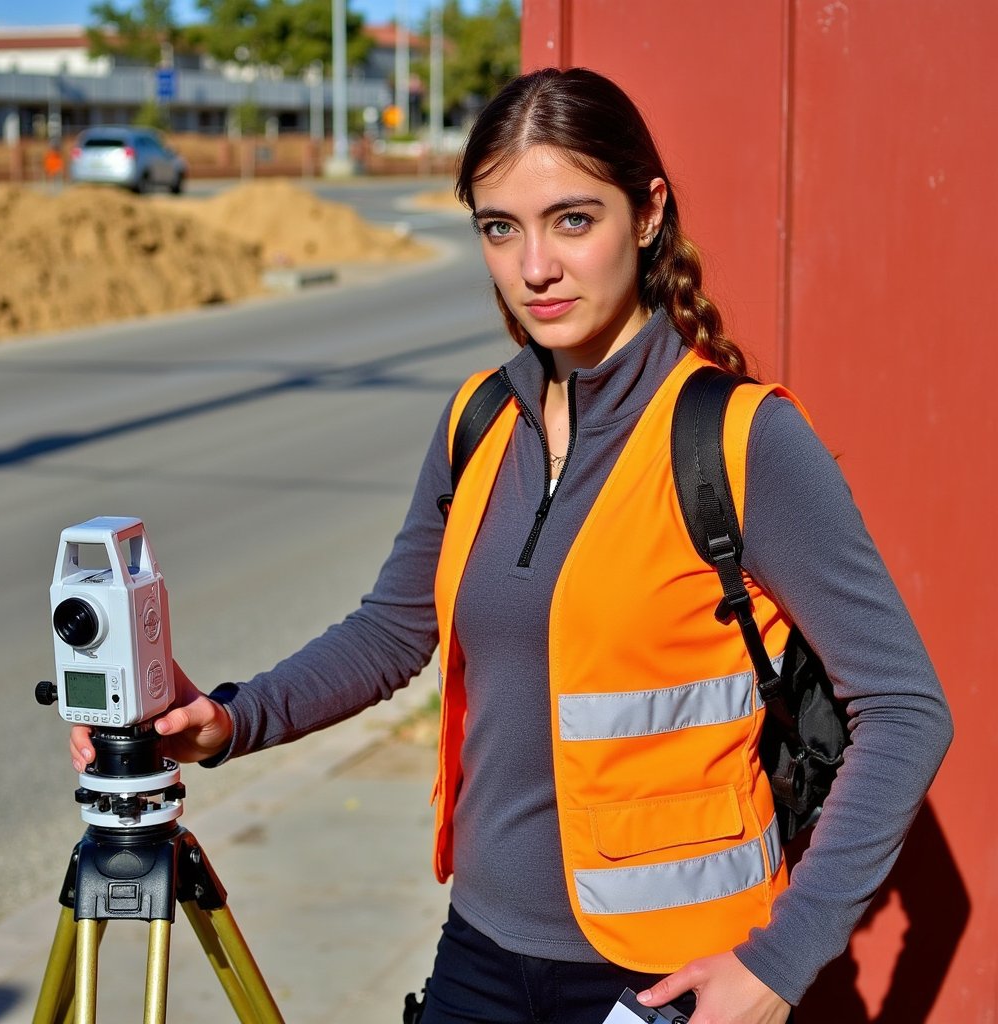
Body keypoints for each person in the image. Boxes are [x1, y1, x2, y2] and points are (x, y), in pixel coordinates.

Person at [70, 68, 952, 1023]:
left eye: (573, 220)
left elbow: (906, 709)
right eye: (501, 228)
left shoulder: (743, 441)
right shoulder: (479, 420)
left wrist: (781, 964)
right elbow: (392, 631)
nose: (535, 267)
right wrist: (230, 720)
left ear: (648, 212)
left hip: (669, 978)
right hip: (480, 955)